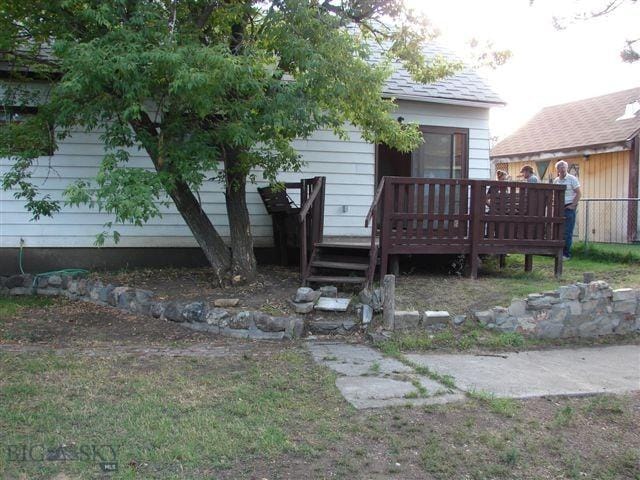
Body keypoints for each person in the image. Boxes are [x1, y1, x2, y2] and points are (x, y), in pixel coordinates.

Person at [553, 160, 581, 259]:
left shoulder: (572, 179)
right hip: (559, 207)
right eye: (560, 167)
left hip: (569, 207)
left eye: (564, 167)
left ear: (566, 168)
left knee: (567, 231)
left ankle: (566, 254)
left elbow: (578, 193)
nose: (563, 169)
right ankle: (557, 252)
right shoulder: (556, 180)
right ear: (557, 170)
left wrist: (573, 205)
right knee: (557, 231)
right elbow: (555, 194)